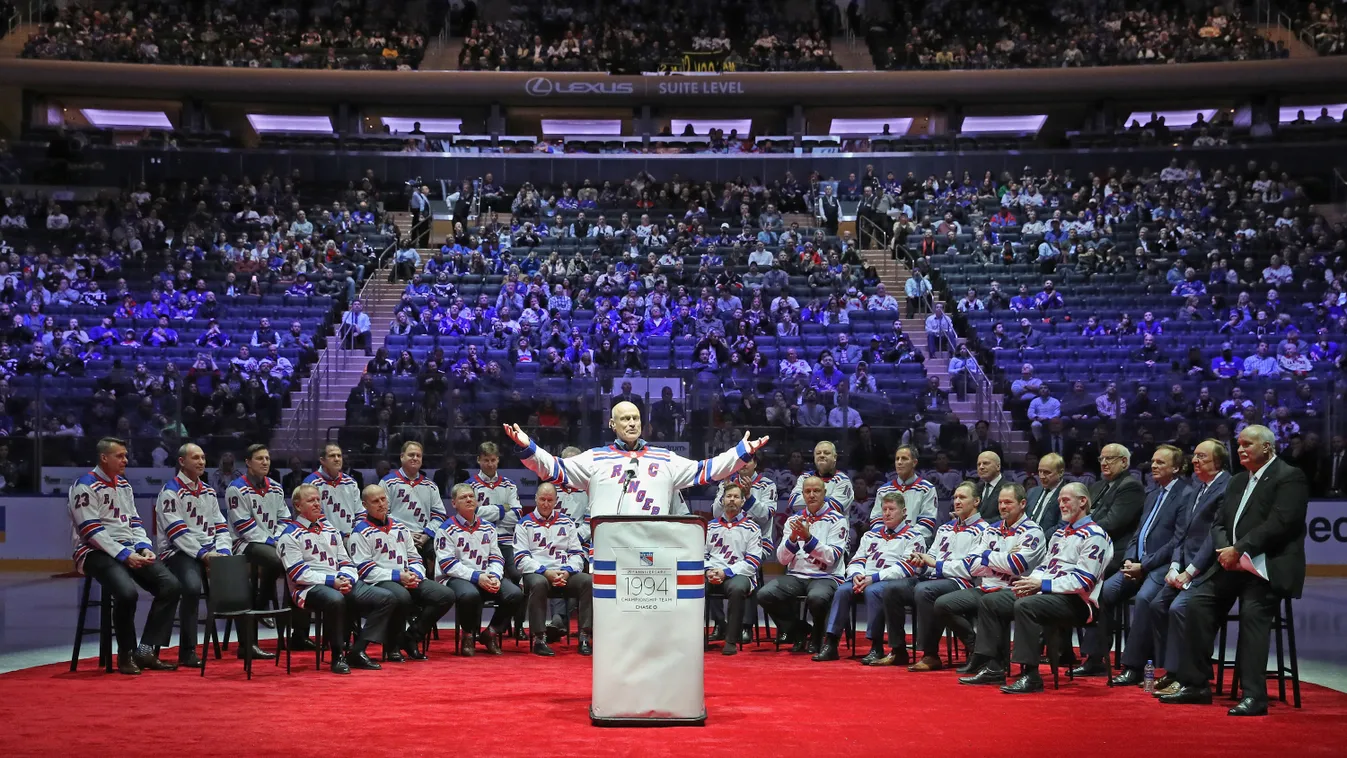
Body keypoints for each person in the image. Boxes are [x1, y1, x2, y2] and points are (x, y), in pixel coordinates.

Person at [1161, 425, 1309, 716]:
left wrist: (1239, 548)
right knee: (1198, 603)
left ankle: (1255, 696)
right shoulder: (1239, 480)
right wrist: (1225, 550)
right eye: (1239, 444)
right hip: (1231, 564)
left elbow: (1281, 523)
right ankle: (1196, 684)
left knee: (1253, 615)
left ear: (1267, 447)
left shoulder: (1290, 477)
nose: (1240, 449)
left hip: (1267, 567)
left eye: (1247, 444)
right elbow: (1218, 523)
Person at [506, 401, 768, 518]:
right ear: (612, 424)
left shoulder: (665, 458)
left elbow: (706, 471)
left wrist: (740, 452)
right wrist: (528, 447)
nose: (631, 423)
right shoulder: (595, 457)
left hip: (653, 548)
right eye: (624, 418)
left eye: (635, 418)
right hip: (609, 548)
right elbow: (555, 469)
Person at [983, 482, 1114, 694]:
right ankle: (993, 666)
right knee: (993, 601)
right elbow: (1044, 566)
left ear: (1083, 502)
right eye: (1060, 500)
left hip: (1079, 602)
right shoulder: (1060, 534)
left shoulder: (1095, 536)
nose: (1061, 505)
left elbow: (1083, 582)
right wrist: (1030, 583)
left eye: (1066, 500)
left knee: (1026, 606)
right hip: (1049, 593)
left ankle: (1031, 675)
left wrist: (1041, 585)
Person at [70, 437, 181, 674]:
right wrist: (124, 555)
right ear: (104, 458)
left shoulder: (124, 485)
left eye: (125, 455)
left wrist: (143, 547)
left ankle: (146, 649)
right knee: (126, 593)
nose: (125, 460)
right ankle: (126, 653)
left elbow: (134, 522)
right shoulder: (85, 486)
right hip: (93, 551)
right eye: (120, 456)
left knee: (170, 585)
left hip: (128, 548)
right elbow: (91, 531)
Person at [1086, 445, 1191, 680]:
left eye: (1160, 463)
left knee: (1144, 599)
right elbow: (1137, 532)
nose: (1153, 466)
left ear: (1176, 468)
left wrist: (1144, 565)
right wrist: (1131, 558)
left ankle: (1133, 667)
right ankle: (1096, 657)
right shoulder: (1152, 493)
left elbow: (1178, 540)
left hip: (1160, 566)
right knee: (1102, 593)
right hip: (1136, 564)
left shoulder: (1185, 494)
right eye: (1153, 462)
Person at [278, 484, 397, 674]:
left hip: (340, 581)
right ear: (298, 506)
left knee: (387, 597)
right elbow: (299, 574)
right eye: (311, 500)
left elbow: (346, 561)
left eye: (318, 499)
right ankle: (337, 657)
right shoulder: (289, 535)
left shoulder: (330, 530)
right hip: (307, 588)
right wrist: (332, 581)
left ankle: (357, 651)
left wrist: (346, 578)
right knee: (335, 599)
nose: (317, 503)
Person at [1149, 439, 1231, 695]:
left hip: (1208, 569)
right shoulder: (1195, 487)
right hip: (1184, 565)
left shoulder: (1226, 487)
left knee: (1179, 608)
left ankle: (1188, 676)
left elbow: (1212, 537)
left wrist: (1190, 570)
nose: (1194, 461)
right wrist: (1174, 565)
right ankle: (1173, 671)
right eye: (1194, 456)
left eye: (1202, 457)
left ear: (1218, 462)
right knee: (1158, 604)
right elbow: (1182, 533)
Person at [951, 482, 1048, 684]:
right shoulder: (991, 529)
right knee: (944, 603)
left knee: (991, 602)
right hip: (987, 585)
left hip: (1018, 589)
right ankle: (978, 652)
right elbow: (972, 565)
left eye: (1008, 502)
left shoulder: (1033, 531)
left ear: (1022, 504)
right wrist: (1001, 557)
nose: (1003, 506)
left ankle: (994, 666)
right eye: (1000, 502)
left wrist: (987, 555)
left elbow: (1017, 565)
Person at [348, 484, 455, 662]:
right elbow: (365, 570)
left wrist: (415, 574)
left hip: (407, 577)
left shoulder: (400, 527)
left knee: (445, 595)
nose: (381, 504)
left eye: (383, 499)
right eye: (375, 501)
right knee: (402, 596)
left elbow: (414, 557)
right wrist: (398, 577)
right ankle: (393, 646)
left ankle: (411, 637)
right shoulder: (359, 532)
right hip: (378, 581)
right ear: (365, 505)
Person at [817, 492, 923, 663]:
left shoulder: (914, 536)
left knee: (873, 591)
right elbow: (857, 559)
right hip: (865, 578)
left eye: (892, 509)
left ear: (904, 512)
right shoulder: (870, 535)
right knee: (842, 590)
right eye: (884, 509)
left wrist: (873, 578)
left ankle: (876, 646)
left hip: (892, 582)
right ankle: (831, 643)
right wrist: (857, 575)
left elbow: (906, 568)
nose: (887, 513)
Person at [155, 443, 229, 669]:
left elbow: (221, 526)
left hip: (208, 552)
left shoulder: (208, 491)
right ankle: (188, 650)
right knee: (191, 586)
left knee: (237, 575)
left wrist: (223, 552)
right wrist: (204, 554)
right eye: (195, 458)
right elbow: (177, 533)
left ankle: (247, 643)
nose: (201, 462)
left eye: (204, 458)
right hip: (177, 552)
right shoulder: (170, 492)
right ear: (181, 462)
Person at [901, 482, 989, 671]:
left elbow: (971, 569)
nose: (957, 501)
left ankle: (930, 653)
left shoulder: (985, 530)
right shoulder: (945, 528)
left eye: (962, 498)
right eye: (955, 497)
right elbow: (932, 555)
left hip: (964, 583)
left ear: (976, 501)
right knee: (894, 588)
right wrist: (922, 562)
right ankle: (897, 650)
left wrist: (936, 564)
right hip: (937, 578)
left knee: (925, 591)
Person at [228, 443, 306, 655]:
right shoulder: (236, 488)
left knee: (297, 565)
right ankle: (262, 608)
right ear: (248, 463)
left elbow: (284, 518)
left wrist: (279, 538)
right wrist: (272, 542)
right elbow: (244, 526)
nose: (265, 462)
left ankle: (297, 633)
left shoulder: (275, 486)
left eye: (267, 459)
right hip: (244, 544)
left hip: (272, 542)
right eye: (260, 458)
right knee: (277, 560)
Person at [757, 476, 848, 654]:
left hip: (826, 577)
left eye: (816, 491)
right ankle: (799, 630)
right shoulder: (793, 520)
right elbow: (782, 559)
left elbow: (832, 557)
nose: (812, 495)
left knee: (817, 598)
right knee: (765, 594)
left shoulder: (838, 520)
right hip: (797, 576)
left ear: (825, 493)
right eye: (807, 491)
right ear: (803, 494)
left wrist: (808, 538)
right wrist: (792, 539)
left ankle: (817, 634)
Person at [435, 483, 525, 656]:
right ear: (454, 503)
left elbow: (497, 557)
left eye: (471, 496)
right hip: (455, 578)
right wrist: (477, 577)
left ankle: (490, 633)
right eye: (463, 497)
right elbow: (447, 564)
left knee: (514, 593)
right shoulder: (446, 529)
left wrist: (495, 575)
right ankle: (468, 634)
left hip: (487, 575)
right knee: (470, 595)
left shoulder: (489, 527)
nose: (469, 499)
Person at [514, 482, 593, 656]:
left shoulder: (567, 522)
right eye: (542, 499)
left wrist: (567, 571)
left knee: (588, 581)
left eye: (550, 500)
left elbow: (577, 554)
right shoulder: (524, 524)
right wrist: (545, 572)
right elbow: (521, 558)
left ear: (556, 501)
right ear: (536, 499)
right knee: (539, 583)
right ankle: (539, 639)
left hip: (563, 572)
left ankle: (584, 637)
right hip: (538, 574)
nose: (546, 504)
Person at [705, 482, 764, 656]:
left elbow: (753, 561)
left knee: (738, 589)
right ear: (722, 500)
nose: (732, 500)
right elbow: (700, 554)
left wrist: (726, 572)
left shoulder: (753, 528)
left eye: (736, 497)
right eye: (729, 496)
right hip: (712, 573)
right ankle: (696, 639)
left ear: (742, 501)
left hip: (738, 574)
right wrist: (709, 571)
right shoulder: (709, 526)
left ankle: (731, 640)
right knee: (694, 586)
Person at [382, 441, 447, 572]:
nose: (415, 458)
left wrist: (426, 535)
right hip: (395, 537)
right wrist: (405, 533)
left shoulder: (430, 485)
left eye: (418, 455)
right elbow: (382, 514)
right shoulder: (387, 482)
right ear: (402, 457)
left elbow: (439, 515)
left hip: (424, 537)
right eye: (411, 455)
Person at [871, 445, 938, 545]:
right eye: (897, 459)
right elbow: (876, 520)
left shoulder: (927, 489)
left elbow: (927, 523)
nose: (899, 462)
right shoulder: (883, 490)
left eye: (904, 459)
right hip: (886, 544)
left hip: (914, 545)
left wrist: (903, 539)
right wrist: (887, 540)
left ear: (914, 462)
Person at [786, 441, 855, 523]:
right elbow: (793, 502)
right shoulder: (804, 478)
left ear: (834, 457)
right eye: (818, 453)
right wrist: (826, 498)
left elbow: (835, 507)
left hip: (833, 532)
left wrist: (809, 500)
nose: (822, 455)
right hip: (806, 531)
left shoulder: (843, 481)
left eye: (826, 453)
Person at [305, 443, 363, 536]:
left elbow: (360, 512)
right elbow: (312, 515)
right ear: (322, 460)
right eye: (332, 456)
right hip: (323, 538)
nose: (337, 459)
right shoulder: (311, 483)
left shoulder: (351, 482)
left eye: (339, 456)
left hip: (352, 537)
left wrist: (357, 532)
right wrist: (337, 534)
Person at [1025, 453, 1065, 532]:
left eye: (1047, 472)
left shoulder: (1068, 494)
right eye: (1040, 471)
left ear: (1060, 473)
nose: (1042, 476)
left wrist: (1040, 539)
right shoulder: (1032, 492)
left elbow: (1063, 525)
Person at [975, 451, 1005, 521]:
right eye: (978, 464)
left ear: (998, 466)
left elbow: (1007, 517)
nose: (981, 467)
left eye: (985, 463)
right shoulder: (976, 488)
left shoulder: (1010, 488)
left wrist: (979, 525)